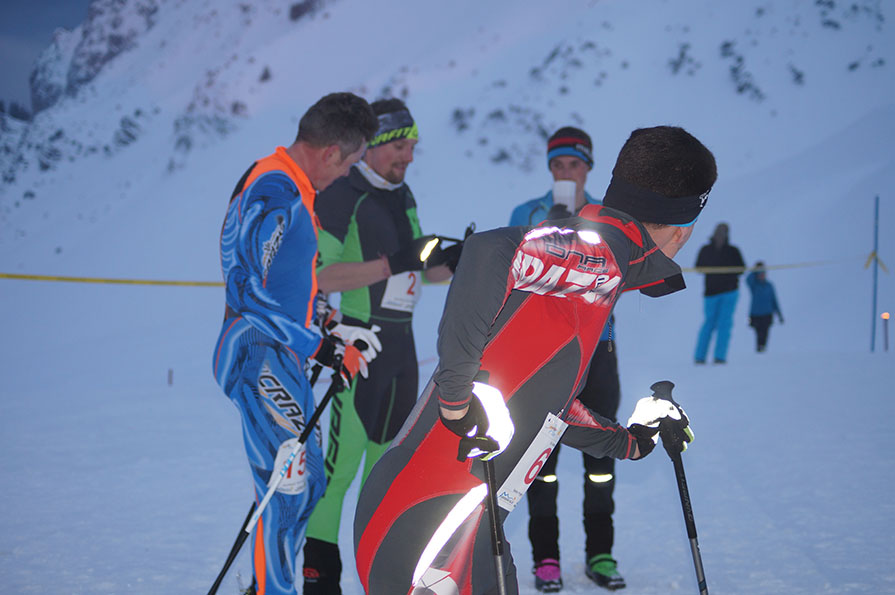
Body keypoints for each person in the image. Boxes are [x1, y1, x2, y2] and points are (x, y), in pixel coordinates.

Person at [353, 125, 716, 595]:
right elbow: (488, 250)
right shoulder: (601, 258)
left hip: (456, 521)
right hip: (430, 527)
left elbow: (548, 408)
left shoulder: (599, 268)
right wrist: (457, 399)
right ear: (683, 228)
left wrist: (630, 442)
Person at [211, 92, 380, 595]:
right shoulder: (275, 188)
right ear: (330, 152)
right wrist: (316, 345)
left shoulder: (293, 187)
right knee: (286, 492)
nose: (346, 174)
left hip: (280, 354)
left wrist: (330, 329)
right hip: (257, 353)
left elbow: (288, 286)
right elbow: (244, 289)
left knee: (307, 487)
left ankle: (265, 584)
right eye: (349, 163)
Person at [303, 98, 461, 595]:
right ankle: (320, 583)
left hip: (401, 352)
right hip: (360, 346)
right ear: (372, 145)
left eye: (413, 147)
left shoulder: (402, 193)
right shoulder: (343, 192)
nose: (409, 157)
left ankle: (383, 582)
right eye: (400, 146)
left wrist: (457, 260)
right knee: (339, 473)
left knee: (387, 478)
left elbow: (421, 267)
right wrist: (394, 263)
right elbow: (319, 276)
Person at [508, 126, 625, 592]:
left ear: (588, 167)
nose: (565, 172)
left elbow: (618, 278)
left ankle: (601, 554)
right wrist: (549, 231)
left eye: (573, 164)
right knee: (542, 461)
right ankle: (546, 560)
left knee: (601, 456)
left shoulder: (607, 219)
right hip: (545, 353)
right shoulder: (526, 214)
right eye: (557, 165)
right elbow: (515, 279)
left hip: (598, 350)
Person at [693, 222, 745, 364]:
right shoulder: (706, 250)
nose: (720, 234)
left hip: (729, 292)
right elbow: (698, 267)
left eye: (723, 232)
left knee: (725, 324)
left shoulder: (733, 251)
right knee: (709, 323)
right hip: (711, 293)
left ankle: (719, 357)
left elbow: (741, 269)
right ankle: (699, 357)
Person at [746, 261, 783, 352]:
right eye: (760, 273)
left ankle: (763, 349)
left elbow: (774, 300)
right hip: (756, 314)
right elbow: (748, 279)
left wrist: (779, 314)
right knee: (758, 333)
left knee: (765, 332)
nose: (762, 275)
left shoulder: (769, 285)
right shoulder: (754, 285)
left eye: (763, 273)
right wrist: (754, 270)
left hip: (767, 314)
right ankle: (759, 348)